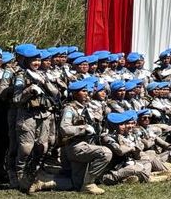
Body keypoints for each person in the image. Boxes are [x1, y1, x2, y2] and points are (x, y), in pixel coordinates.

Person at [12, 47, 62, 192]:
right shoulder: (21, 76)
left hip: (44, 115)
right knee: (26, 148)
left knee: (42, 147)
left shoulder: (42, 74)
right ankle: (20, 175)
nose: (37, 63)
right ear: (27, 61)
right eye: (34, 60)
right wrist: (29, 90)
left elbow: (56, 94)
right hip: (27, 115)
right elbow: (16, 99)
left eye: (38, 60)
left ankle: (33, 174)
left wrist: (45, 83)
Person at [59, 80, 113, 195]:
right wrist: (83, 128)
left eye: (86, 91)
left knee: (76, 184)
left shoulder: (85, 107)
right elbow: (64, 129)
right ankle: (88, 184)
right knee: (106, 153)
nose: (86, 93)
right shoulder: (69, 109)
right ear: (74, 94)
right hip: (75, 146)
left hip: (85, 145)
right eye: (83, 91)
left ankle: (43, 183)